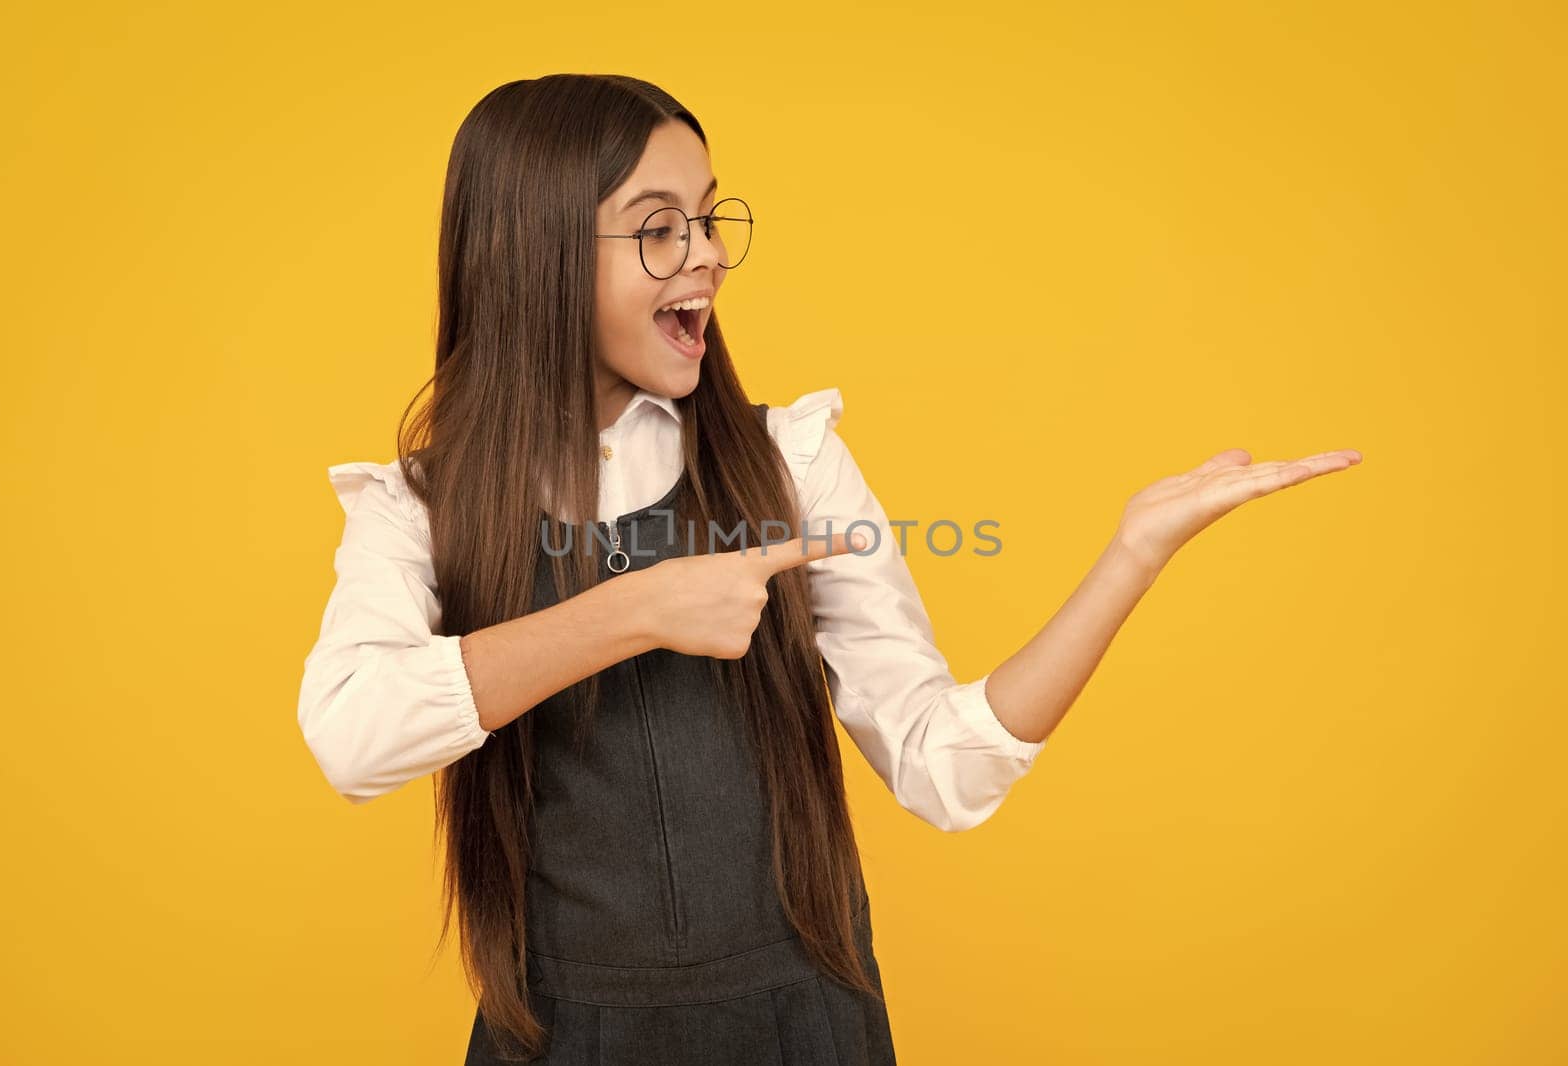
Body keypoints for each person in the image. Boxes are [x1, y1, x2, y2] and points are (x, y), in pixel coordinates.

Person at [296, 74, 1363, 1064]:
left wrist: (1132, 553)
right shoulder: (416, 507)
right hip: (558, 1034)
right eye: (659, 230)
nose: (707, 254)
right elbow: (353, 734)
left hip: (802, 1025)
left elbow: (943, 762)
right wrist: (634, 609)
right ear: (532, 254)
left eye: (708, 219)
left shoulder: (791, 460)